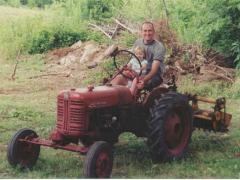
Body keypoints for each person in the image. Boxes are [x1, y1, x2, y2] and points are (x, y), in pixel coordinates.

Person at [111, 21, 166, 90]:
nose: (147, 33)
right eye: (145, 31)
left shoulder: (159, 47)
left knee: (138, 86)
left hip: (152, 74)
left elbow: (154, 70)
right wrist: (119, 54)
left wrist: (144, 80)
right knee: (119, 77)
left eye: (150, 31)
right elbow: (132, 54)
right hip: (137, 71)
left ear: (154, 32)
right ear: (141, 32)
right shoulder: (138, 42)